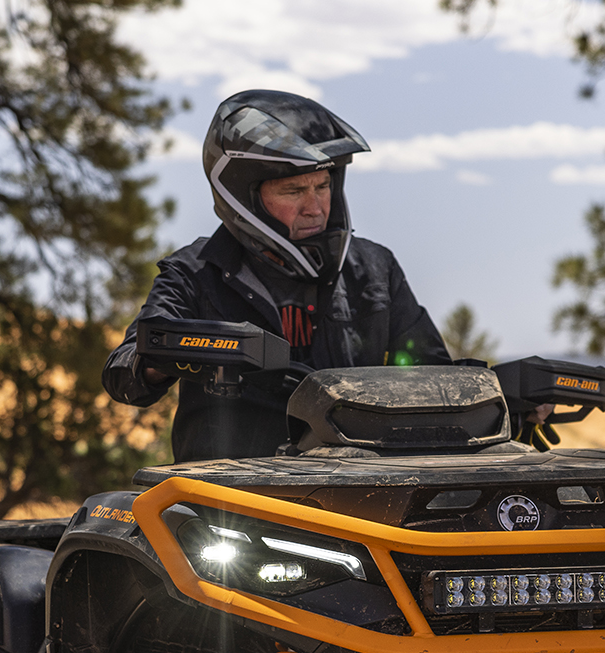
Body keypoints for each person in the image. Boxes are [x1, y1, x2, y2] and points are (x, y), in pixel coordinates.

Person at [104, 89, 450, 461]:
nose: (314, 207)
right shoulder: (195, 272)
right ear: (244, 196)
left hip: (354, 491)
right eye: (293, 191)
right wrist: (163, 359)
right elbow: (124, 377)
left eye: (322, 186)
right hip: (230, 498)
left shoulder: (374, 269)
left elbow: (437, 380)